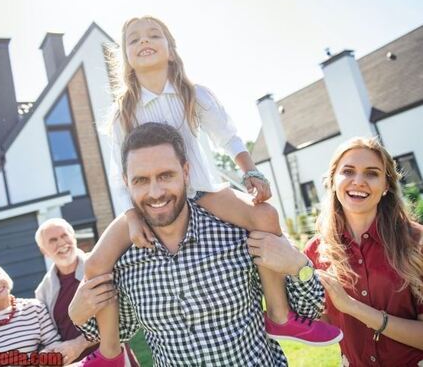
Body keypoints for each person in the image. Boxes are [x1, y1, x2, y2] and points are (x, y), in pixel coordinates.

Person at [82, 15, 340, 364]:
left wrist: (251, 172)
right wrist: (130, 217)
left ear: (171, 50)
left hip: (202, 191)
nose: (144, 41)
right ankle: (111, 353)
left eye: (154, 35)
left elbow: (228, 136)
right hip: (145, 206)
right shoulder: (121, 113)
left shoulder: (194, 94)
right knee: (96, 263)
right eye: (133, 39)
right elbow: (120, 176)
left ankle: (280, 315)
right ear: (124, 57)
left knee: (265, 215)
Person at [72, 122, 338, 366]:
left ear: (186, 172)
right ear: (126, 184)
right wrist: (77, 313)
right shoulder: (124, 261)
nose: (155, 193)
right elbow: (121, 331)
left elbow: (310, 307)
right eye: (141, 180)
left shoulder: (239, 232)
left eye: (165, 175)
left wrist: (299, 266)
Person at [304, 137, 423, 366]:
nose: (358, 181)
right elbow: (326, 326)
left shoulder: (417, 241)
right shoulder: (316, 251)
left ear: (386, 185)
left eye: (371, 173)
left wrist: (352, 307)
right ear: (333, 180)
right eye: (348, 171)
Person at [34, 218, 139, 366]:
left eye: (64, 235)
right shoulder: (43, 291)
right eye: (52, 240)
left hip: (113, 358)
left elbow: (121, 319)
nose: (61, 243)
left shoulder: (102, 266)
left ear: (74, 237)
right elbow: (48, 335)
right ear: (44, 251)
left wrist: (79, 344)